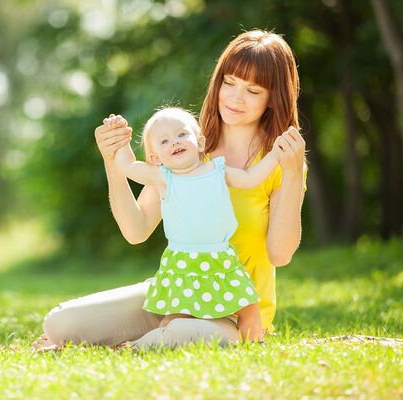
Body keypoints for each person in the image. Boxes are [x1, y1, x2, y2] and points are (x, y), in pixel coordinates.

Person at [32, 30, 306, 351]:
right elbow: (136, 230)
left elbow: (280, 254)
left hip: (233, 312)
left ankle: (133, 345)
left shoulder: (278, 162)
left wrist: (291, 174)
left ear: (273, 98)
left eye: (252, 90)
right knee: (61, 323)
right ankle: (143, 338)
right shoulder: (184, 146)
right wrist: (113, 160)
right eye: (229, 83)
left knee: (184, 331)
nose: (235, 98)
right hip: (176, 294)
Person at [107, 108, 282, 342]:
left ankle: (255, 344)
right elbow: (128, 166)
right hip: (183, 261)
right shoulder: (163, 177)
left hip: (221, 258)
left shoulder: (218, 170)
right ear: (155, 158)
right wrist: (120, 138)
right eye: (164, 141)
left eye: (182, 135)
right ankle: (157, 341)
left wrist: (275, 155)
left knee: (249, 307)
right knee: (177, 314)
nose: (175, 142)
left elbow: (251, 178)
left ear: (200, 143)